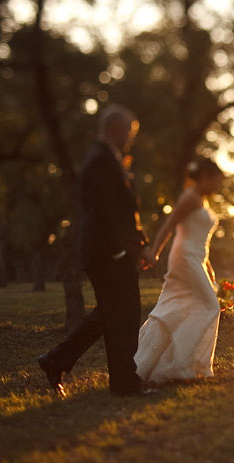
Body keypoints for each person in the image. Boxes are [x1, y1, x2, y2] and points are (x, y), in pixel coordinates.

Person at [38, 104, 155, 397]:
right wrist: (118, 252)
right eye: (129, 133)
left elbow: (126, 211)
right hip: (108, 254)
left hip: (110, 252)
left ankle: (55, 360)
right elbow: (102, 212)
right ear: (115, 130)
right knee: (125, 316)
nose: (130, 139)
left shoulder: (108, 158)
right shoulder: (100, 160)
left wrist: (142, 243)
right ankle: (126, 385)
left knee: (108, 314)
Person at [133, 158, 222, 384]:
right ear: (204, 177)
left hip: (197, 258)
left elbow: (203, 240)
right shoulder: (189, 198)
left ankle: (149, 362)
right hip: (184, 257)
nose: (217, 186)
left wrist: (208, 267)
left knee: (176, 306)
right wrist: (154, 252)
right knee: (210, 305)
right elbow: (169, 225)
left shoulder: (202, 200)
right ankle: (179, 364)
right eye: (215, 181)